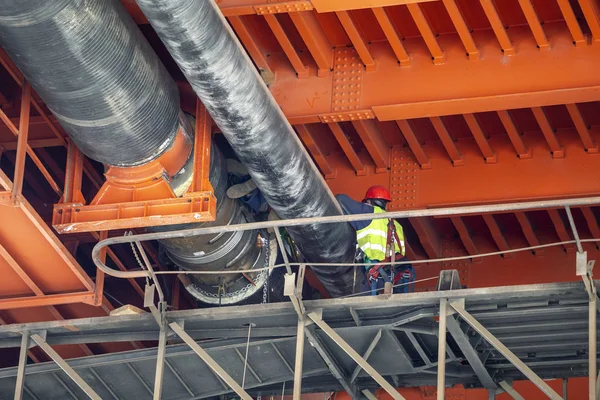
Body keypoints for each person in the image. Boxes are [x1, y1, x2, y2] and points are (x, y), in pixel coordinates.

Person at [336, 186, 413, 295]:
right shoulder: (397, 225)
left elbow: (340, 199)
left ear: (368, 201)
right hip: (396, 278)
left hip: (375, 275)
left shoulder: (368, 212)